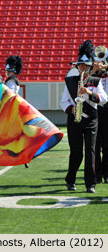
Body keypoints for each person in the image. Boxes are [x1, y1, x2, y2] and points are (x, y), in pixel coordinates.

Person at [61, 40, 108, 193]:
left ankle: (91, 184)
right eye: (81, 65)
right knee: (76, 152)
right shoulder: (70, 81)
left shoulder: (95, 81)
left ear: (90, 67)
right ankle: (70, 180)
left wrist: (89, 93)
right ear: (77, 66)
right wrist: (72, 109)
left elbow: (104, 99)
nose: (83, 68)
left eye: (86, 66)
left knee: (91, 152)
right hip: (75, 120)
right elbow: (64, 102)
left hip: (92, 120)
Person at [92, 46, 108, 184]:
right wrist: (96, 70)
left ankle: (107, 173)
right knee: (95, 145)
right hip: (96, 109)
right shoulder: (93, 74)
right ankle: (97, 174)